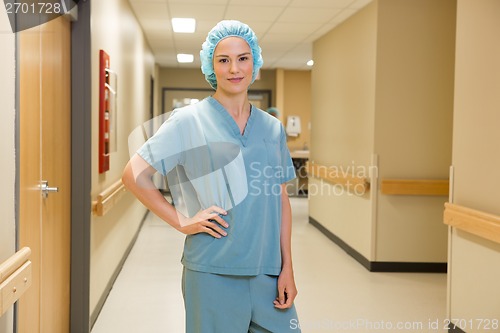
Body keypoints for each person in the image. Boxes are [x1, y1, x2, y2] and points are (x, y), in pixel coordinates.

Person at [122, 20, 301, 333]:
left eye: (243, 58)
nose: (234, 68)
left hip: (268, 273)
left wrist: (287, 267)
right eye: (224, 60)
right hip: (212, 270)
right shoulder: (188, 121)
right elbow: (133, 175)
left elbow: (281, 199)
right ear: (212, 67)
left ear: (255, 63)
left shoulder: (272, 128)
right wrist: (180, 221)